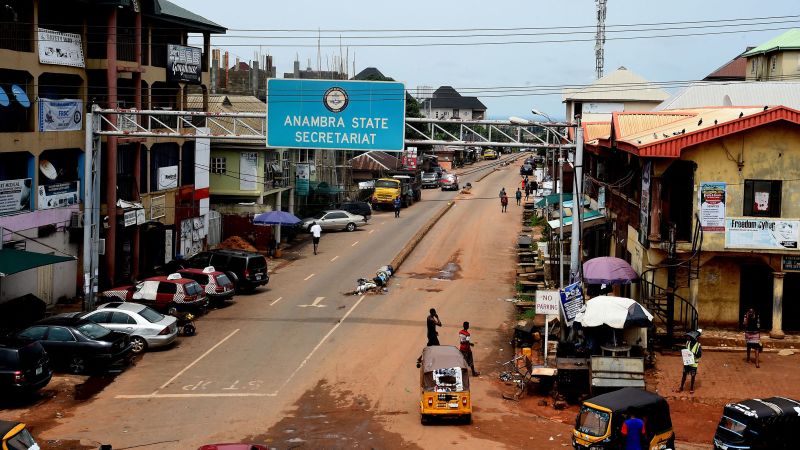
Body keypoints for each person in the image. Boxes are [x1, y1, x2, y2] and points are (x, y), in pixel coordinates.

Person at [678, 329, 702, 394]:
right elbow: (685, 350)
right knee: (684, 375)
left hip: (694, 364)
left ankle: (691, 388)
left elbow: (699, 355)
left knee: (693, 376)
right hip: (687, 362)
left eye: (689, 337)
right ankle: (681, 387)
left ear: (693, 338)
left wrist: (692, 354)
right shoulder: (687, 343)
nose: (688, 338)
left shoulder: (698, 345)